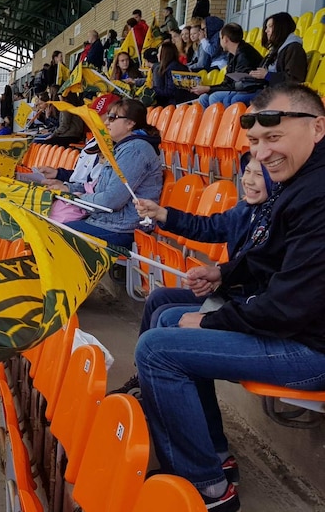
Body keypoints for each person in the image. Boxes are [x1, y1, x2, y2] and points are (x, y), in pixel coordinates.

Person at [134, 84, 325, 511]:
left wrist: (213, 320)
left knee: (158, 350)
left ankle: (207, 490)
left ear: (318, 128)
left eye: (273, 138)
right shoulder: (300, 181)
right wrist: (222, 273)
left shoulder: (317, 193)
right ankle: (215, 459)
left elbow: (289, 306)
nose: (260, 155)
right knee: (166, 322)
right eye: (254, 142)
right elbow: (265, 259)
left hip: (311, 349)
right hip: (297, 330)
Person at [112, 153, 273, 397]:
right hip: (233, 293)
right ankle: (144, 380)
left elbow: (260, 268)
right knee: (159, 298)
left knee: (167, 318)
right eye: (247, 172)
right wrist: (162, 213)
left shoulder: (278, 218)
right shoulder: (246, 209)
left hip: (247, 303)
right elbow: (209, 227)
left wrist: (221, 276)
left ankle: (156, 387)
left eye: (259, 175)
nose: (248, 180)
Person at [62, 99, 162, 247]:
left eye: (113, 118)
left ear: (130, 123)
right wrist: (68, 189)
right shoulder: (124, 147)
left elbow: (112, 200)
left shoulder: (134, 150)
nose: (107, 122)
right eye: (108, 117)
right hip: (108, 222)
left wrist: (81, 199)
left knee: (55, 233)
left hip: (123, 229)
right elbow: (99, 189)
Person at [192, 23, 264, 107]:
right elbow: (227, 82)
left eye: (220, 38)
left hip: (251, 89)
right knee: (203, 98)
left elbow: (238, 84)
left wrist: (208, 88)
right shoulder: (231, 54)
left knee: (214, 97)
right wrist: (208, 88)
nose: (219, 42)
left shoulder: (245, 55)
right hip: (238, 87)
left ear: (225, 39)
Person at [246, 12, 307, 87]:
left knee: (238, 97)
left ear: (281, 28)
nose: (266, 31)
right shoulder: (275, 50)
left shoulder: (294, 48)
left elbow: (293, 80)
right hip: (268, 89)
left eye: (270, 26)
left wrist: (268, 75)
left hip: (282, 94)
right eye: (266, 27)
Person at [152, 40, 195, 106]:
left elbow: (171, 92)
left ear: (164, 54)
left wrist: (154, 89)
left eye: (159, 52)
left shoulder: (173, 68)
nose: (157, 55)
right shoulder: (176, 66)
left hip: (179, 105)